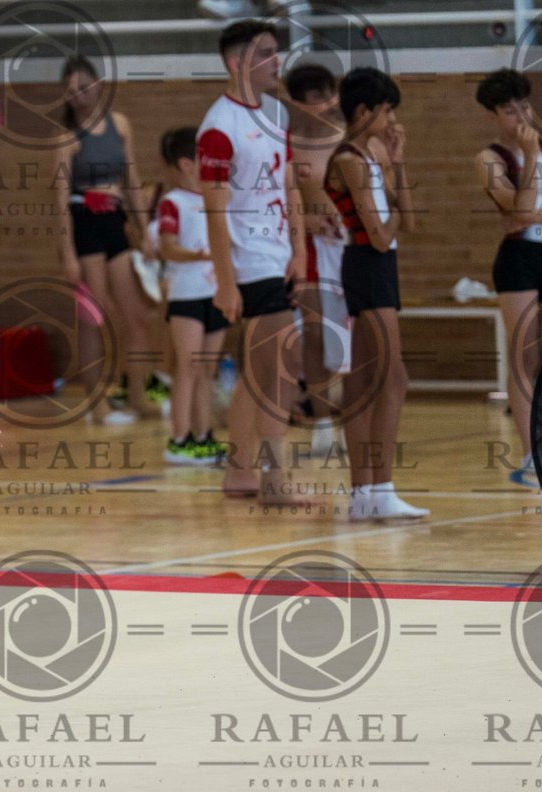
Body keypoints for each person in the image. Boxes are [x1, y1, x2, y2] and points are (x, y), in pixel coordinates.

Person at [197, 19, 308, 499]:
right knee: (282, 366)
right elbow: (214, 211)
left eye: (276, 51)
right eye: (265, 52)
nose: (276, 60)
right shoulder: (219, 128)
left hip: (279, 255)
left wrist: (300, 250)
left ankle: (239, 473)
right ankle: (276, 481)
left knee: (258, 370)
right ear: (236, 63)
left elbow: (290, 186)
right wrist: (225, 283)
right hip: (249, 262)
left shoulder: (277, 114)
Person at [326, 68, 426, 522]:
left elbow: (410, 220)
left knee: (364, 380)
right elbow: (381, 236)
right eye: (388, 112)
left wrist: (397, 164)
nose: (393, 122)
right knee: (393, 377)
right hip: (367, 266)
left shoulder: (370, 158)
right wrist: (393, 209)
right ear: (363, 111)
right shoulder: (349, 159)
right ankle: (381, 487)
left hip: (379, 267)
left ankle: (363, 494)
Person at [474, 68, 542, 483]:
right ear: (493, 116)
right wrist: (530, 157)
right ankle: (530, 455)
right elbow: (516, 208)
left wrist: (531, 214)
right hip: (517, 260)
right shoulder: (488, 159)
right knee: (526, 357)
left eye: (524, 107)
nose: (521, 117)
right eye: (509, 111)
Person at [54, 54, 157, 424]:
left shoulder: (120, 125)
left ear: (97, 86)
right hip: (85, 225)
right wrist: (68, 253)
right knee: (93, 319)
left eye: (84, 87)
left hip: (114, 222)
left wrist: (145, 232)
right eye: (71, 91)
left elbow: (132, 180)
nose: (79, 96)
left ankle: (139, 395)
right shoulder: (66, 139)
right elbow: (59, 203)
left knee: (136, 316)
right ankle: (96, 403)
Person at [283, 62, 349, 459]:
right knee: (313, 334)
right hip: (310, 248)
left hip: (349, 244)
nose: (327, 104)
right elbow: (274, 203)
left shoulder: (348, 139)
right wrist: (306, 221)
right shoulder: (285, 145)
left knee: (354, 333)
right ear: (296, 102)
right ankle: (323, 424)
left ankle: (355, 420)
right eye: (316, 98)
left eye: (330, 95)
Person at [157, 126, 229, 466]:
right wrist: (201, 255)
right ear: (187, 164)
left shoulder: (216, 199)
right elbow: (167, 247)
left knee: (206, 369)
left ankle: (203, 437)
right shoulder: (173, 202)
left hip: (215, 293)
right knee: (187, 367)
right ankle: (179, 439)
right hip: (186, 295)